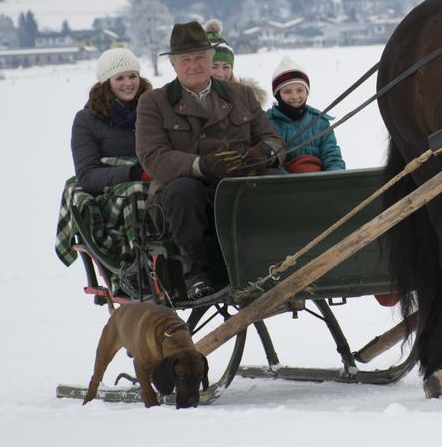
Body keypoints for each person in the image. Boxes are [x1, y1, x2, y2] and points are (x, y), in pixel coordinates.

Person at [136, 21, 284, 300]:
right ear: (174, 65)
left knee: (276, 182)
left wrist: (262, 154)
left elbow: (274, 140)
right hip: (183, 199)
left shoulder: (242, 95)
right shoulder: (154, 102)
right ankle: (196, 274)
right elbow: (152, 156)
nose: (194, 65)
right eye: (186, 60)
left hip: (237, 187)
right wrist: (200, 165)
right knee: (184, 190)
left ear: (211, 58)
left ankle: (273, 261)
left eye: (200, 58)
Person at [71, 48, 152, 193]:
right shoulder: (86, 120)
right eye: (119, 78)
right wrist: (134, 174)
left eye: (133, 76)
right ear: (106, 83)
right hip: (116, 195)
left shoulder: (153, 110)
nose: (128, 83)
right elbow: (87, 175)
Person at [267, 56, 346, 173]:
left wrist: (331, 180)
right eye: (287, 91)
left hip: (320, 184)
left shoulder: (320, 121)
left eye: (300, 90)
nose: (295, 97)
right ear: (278, 95)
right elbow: (269, 164)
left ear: (307, 91)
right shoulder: (267, 123)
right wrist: (294, 184)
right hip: (285, 187)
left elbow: (333, 158)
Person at [204, 19, 269, 107]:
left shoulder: (247, 101)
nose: (220, 74)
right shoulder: (188, 101)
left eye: (226, 67)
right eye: (214, 67)